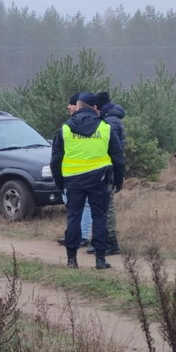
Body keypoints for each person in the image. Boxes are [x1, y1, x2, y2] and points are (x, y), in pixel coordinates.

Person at [51, 92, 125, 270]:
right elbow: (118, 158)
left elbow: (55, 160)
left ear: (78, 106)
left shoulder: (65, 128)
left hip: (73, 181)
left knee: (73, 217)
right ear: (95, 108)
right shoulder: (105, 128)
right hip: (99, 180)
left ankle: (71, 260)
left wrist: (60, 183)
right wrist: (119, 181)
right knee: (99, 217)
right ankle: (100, 259)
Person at [86, 90, 126, 256]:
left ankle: (111, 242)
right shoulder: (112, 119)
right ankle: (99, 241)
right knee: (102, 206)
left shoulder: (109, 123)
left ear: (98, 106)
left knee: (107, 207)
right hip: (106, 169)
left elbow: (113, 151)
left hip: (106, 170)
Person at [57, 93, 92, 246]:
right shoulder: (97, 124)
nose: (68, 107)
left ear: (78, 106)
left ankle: (81, 237)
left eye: (71, 104)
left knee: (81, 206)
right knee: (75, 205)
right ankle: (77, 235)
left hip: (77, 174)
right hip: (77, 172)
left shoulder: (69, 127)